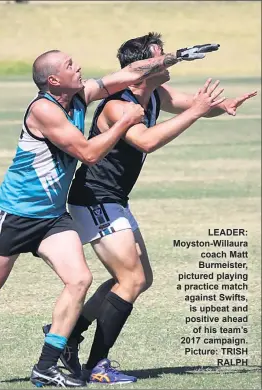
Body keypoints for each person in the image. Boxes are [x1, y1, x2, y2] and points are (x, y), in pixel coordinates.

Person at [0, 43, 218, 388]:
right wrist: (123, 119)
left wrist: (176, 57)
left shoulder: (80, 95)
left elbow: (129, 73)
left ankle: (46, 367)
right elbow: (89, 153)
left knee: (79, 279)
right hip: (16, 214)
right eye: (69, 65)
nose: (78, 67)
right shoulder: (44, 111)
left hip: (52, 217)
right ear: (53, 80)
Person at [41, 33, 257, 385]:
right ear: (142, 69)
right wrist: (199, 112)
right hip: (95, 198)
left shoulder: (155, 93)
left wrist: (224, 105)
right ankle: (96, 365)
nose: (167, 62)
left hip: (113, 200)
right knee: (132, 279)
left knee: (139, 279)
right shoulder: (118, 104)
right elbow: (146, 141)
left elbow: (191, 103)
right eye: (161, 57)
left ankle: (66, 334)